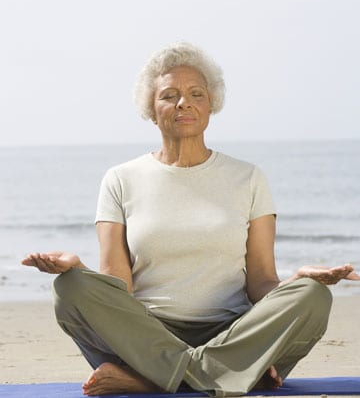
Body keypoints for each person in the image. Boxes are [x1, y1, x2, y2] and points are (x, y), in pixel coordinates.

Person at [22, 42, 359, 397]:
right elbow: (118, 286)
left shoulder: (248, 177)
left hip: (234, 333)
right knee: (70, 288)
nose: (184, 102)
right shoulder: (120, 179)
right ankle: (228, 375)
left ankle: (150, 380)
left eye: (195, 93)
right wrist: (79, 270)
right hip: (146, 337)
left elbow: (260, 281)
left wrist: (294, 282)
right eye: (170, 95)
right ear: (151, 110)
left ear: (210, 104)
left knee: (313, 295)